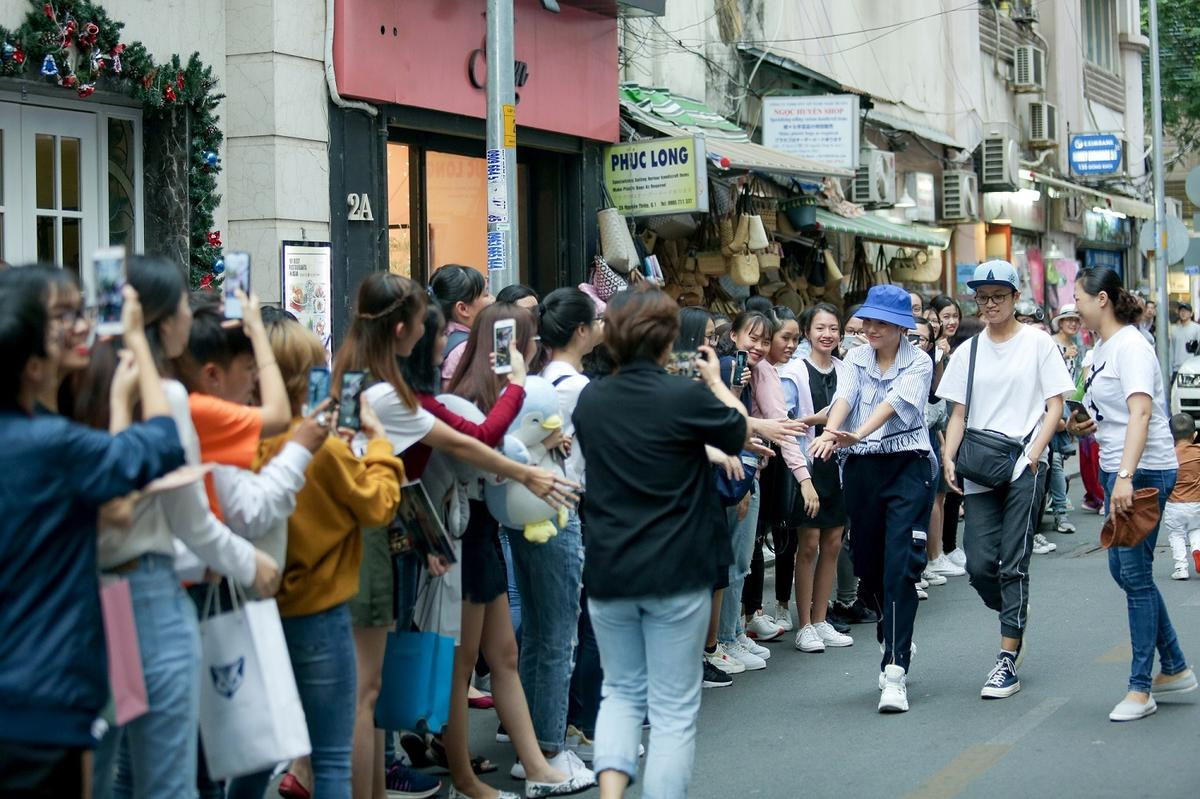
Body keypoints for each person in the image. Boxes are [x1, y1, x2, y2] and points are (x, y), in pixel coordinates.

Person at [75, 258, 281, 798]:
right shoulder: (163, 397)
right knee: (166, 778)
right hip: (149, 596)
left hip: (99, 595)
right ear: (161, 321)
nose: (191, 315)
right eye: (185, 305)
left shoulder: (83, 383)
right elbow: (191, 518)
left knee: (116, 766)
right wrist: (251, 562)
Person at [0, 275, 185, 798]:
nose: (75, 327)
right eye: (58, 319)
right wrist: (139, 349)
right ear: (32, 363)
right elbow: (163, 443)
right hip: (44, 697)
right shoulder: (52, 444)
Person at [573, 287, 750, 799]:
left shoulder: (592, 398)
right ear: (669, 337)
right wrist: (715, 381)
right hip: (678, 565)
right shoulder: (685, 395)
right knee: (673, 709)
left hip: (610, 565)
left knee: (620, 694)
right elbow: (736, 430)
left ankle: (609, 794)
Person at [938, 260, 1074, 701]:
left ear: (1016, 298)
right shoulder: (968, 351)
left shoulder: (1037, 344)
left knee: (1013, 562)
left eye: (998, 296)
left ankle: (1006, 660)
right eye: (982, 297)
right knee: (979, 566)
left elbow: (1056, 404)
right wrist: (947, 456)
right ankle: (1014, 610)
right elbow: (957, 413)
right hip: (979, 467)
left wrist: (1034, 456)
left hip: (1023, 465)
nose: (990, 304)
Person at [1068, 266, 1196, 721]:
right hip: (1116, 470)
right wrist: (1081, 424)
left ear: (1101, 299)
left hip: (1143, 471)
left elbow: (1141, 415)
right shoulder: (1099, 350)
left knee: (1136, 577)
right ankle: (1176, 665)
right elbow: (1109, 414)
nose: (1075, 306)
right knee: (1125, 572)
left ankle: (1141, 688)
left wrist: (1125, 476)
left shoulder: (1132, 346)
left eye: (1079, 298)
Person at [810, 284, 934, 714]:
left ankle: (895, 670)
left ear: (902, 327)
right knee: (869, 568)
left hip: (907, 466)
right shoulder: (857, 357)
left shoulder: (919, 361)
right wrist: (831, 434)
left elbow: (892, 406)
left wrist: (856, 434)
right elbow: (844, 398)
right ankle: (893, 627)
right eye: (868, 320)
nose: (871, 328)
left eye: (882, 322)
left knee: (900, 566)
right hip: (861, 469)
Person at [778, 303, 852, 653]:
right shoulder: (793, 371)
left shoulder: (847, 369)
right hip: (807, 466)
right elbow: (785, 424)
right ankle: (804, 624)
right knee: (807, 545)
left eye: (834, 328)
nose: (828, 335)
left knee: (834, 542)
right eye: (820, 328)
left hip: (839, 464)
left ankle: (822, 619)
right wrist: (817, 420)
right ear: (808, 331)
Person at [431, 264, 494, 383]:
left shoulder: (440, 334)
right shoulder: (464, 349)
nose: (492, 299)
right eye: (485, 295)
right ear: (463, 309)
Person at [1164, 413, 1200, 580]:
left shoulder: (1168, 456)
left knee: (1176, 535)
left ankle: (1181, 568)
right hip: (1197, 503)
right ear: (1195, 435)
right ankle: (1197, 550)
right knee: (1196, 529)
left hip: (1174, 504)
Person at [1170, 302, 1200, 381]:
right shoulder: (1174, 330)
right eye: (1181, 311)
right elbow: (1171, 351)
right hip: (1176, 369)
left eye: (1186, 311)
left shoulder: (1197, 329)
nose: (1183, 313)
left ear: (1191, 314)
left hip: (1192, 368)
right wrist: (1170, 371)